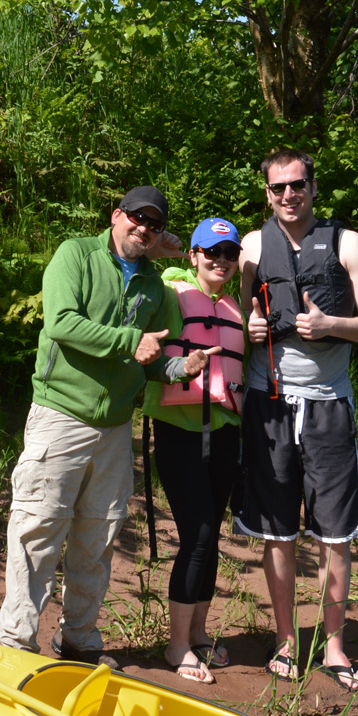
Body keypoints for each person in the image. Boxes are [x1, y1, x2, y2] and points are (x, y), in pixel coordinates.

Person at [0, 187, 216, 666]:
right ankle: (16, 644)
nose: (144, 228)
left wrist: (182, 367)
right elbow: (61, 322)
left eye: (155, 225)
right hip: (60, 415)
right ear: (116, 215)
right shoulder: (75, 254)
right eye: (138, 217)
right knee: (38, 529)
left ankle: (78, 639)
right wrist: (129, 340)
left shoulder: (155, 287)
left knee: (97, 539)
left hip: (115, 428)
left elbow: (151, 358)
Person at [235, 150, 358, 692]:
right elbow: (235, 316)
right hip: (268, 403)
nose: (287, 196)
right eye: (277, 189)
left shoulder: (348, 244)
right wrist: (250, 329)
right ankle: (284, 641)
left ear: (312, 187)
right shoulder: (251, 247)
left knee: (335, 535)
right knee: (276, 533)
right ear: (267, 193)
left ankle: (336, 647)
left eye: (296, 185)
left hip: (328, 406)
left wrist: (331, 323)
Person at [143, 217, 247, 684]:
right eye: (211, 252)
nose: (220, 261)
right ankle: (177, 645)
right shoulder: (170, 292)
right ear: (193, 255)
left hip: (224, 432)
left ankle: (200, 633)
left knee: (213, 538)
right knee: (198, 536)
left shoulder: (237, 307)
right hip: (179, 430)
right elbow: (139, 278)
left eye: (229, 254)